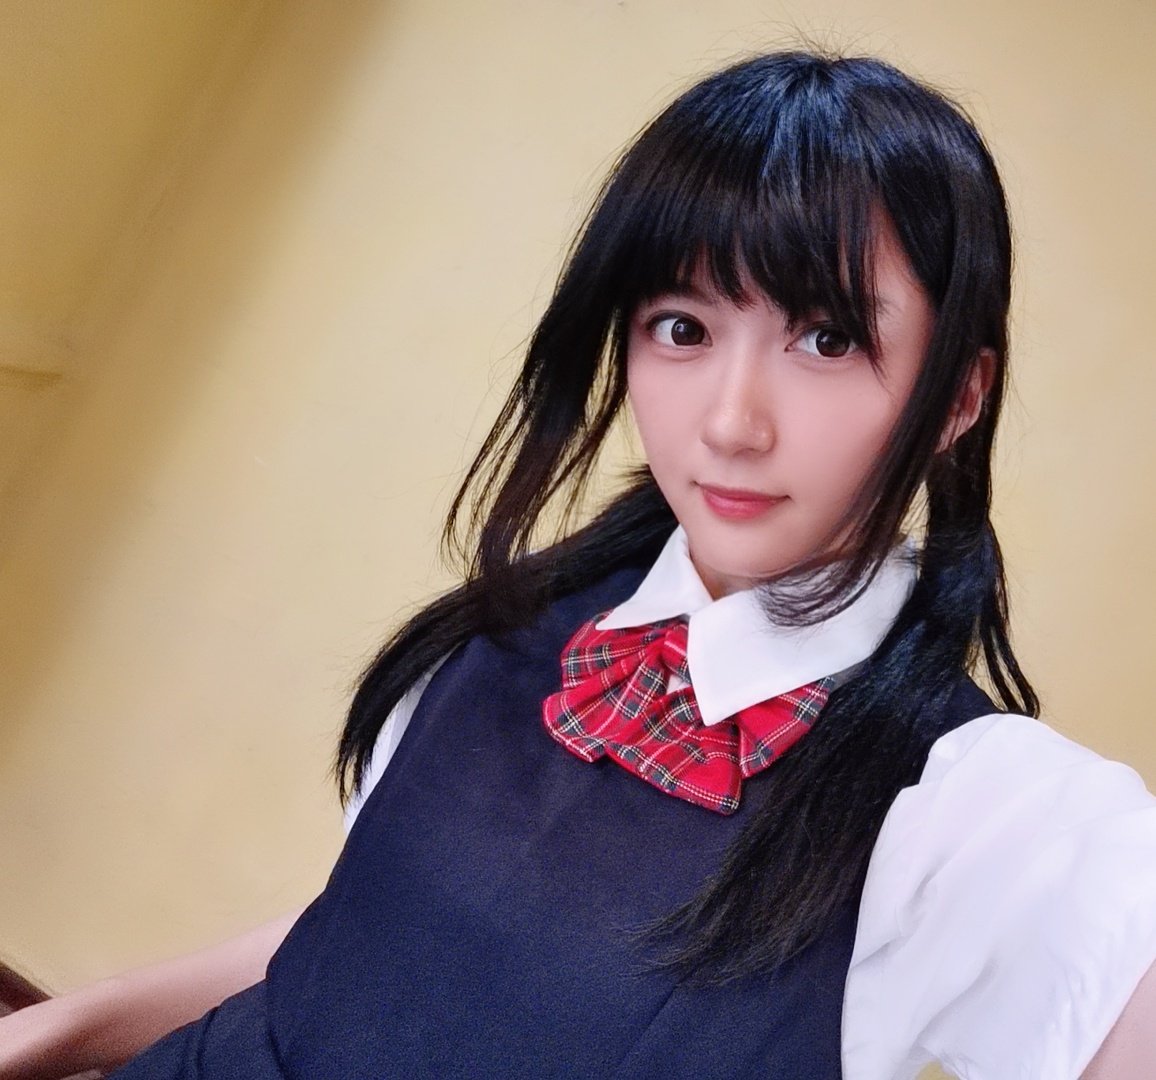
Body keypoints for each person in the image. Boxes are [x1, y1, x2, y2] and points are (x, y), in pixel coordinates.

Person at [2, 49, 1155, 1080]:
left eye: (826, 338)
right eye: (682, 328)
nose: (730, 424)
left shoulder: (990, 817)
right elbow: (347, 946)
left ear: (957, 397)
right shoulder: (513, 622)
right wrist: (44, 1038)